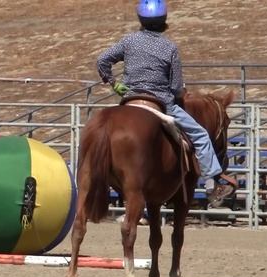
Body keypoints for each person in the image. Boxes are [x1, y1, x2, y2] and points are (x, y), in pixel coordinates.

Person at [96, 0, 234, 205]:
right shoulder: (169, 47)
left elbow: (102, 60)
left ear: (140, 19)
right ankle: (213, 181)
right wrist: (179, 93)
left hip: (130, 100)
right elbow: (177, 87)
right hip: (162, 103)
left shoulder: (129, 41)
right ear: (164, 21)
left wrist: (114, 83)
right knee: (201, 135)